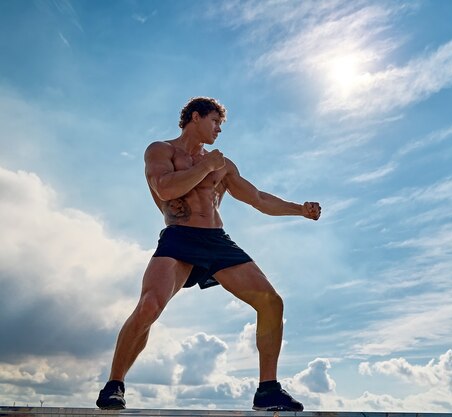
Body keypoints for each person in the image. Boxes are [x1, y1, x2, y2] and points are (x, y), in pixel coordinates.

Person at [96, 97, 321, 411]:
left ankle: (268, 389)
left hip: (216, 240)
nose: (218, 129)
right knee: (149, 306)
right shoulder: (161, 150)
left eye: (221, 125)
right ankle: (114, 384)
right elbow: (165, 189)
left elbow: (256, 198)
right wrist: (206, 166)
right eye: (215, 122)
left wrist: (299, 209)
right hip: (179, 237)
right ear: (195, 117)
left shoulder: (223, 165)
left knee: (271, 301)